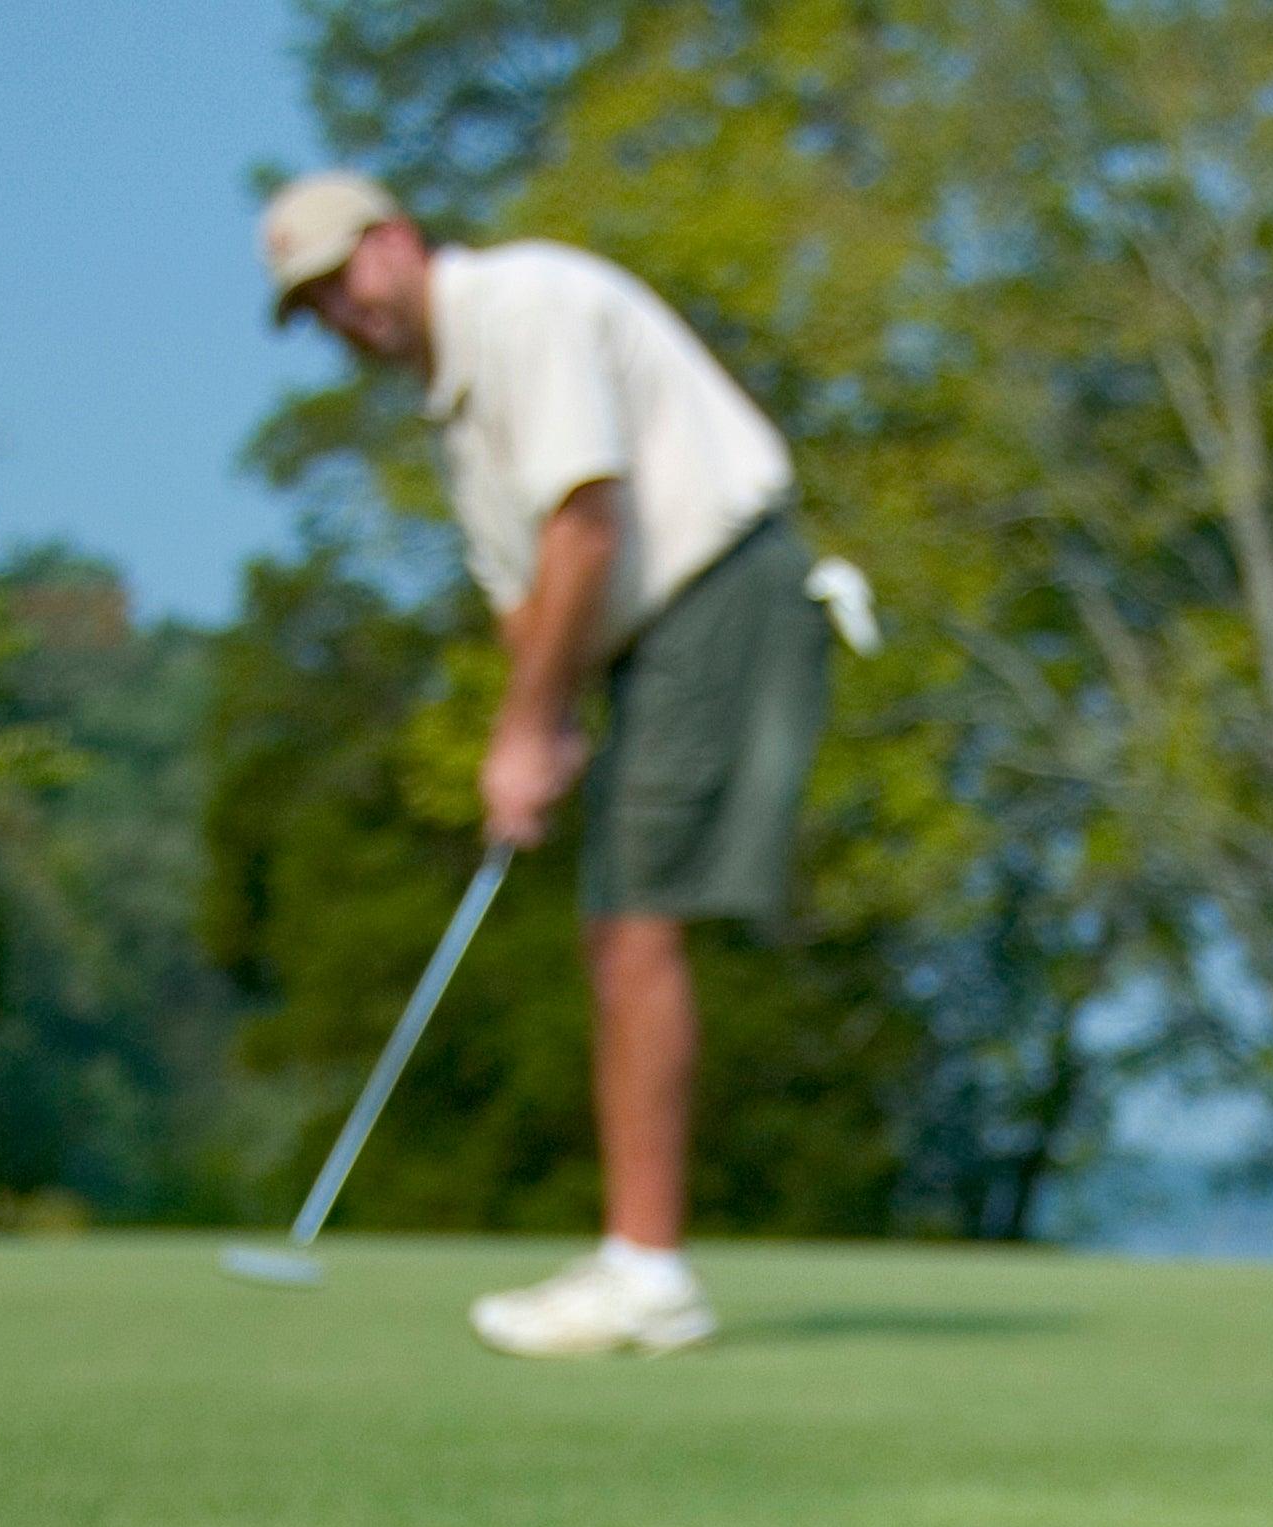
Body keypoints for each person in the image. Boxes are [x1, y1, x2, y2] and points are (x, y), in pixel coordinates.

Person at [259, 173, 874, 1357]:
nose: (342, 311)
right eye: (313, 304)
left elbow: (587, 525)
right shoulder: (453, 412)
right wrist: (548, 718)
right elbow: (528, 599)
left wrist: (526, 728)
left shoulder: (523, 306)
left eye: (343, 277)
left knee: (635, 923)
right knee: (615, 924)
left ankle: (648, 1274)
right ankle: (637, 1256)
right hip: (653, 636)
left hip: (720, 588)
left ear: (397, 239)